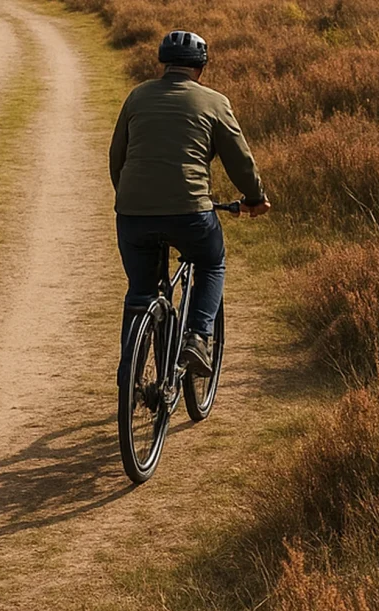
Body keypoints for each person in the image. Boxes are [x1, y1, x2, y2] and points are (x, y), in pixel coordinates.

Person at [110, 30, 271, 378]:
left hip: (133, 214)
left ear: (163, 64)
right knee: (211, 263)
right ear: (201, 68)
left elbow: (117, 156)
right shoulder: (214, 102)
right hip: (191, 213)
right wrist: (255, 199)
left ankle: (129, 375)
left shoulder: (137, 96)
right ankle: (198, 337)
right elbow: (240, 161)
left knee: (140, 293)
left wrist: (129, 198)